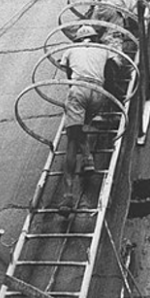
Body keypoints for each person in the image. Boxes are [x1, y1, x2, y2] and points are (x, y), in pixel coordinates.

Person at [54, 27, 121, 217]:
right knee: (82, 127)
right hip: (98, 92)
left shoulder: (70, 50)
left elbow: (69, 76)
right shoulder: (103, 48)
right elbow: (111, 73)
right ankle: (88, 158)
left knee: (72, 139)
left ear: (79, 39)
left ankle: (68, 195)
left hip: (79, 89)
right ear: (94, 37)